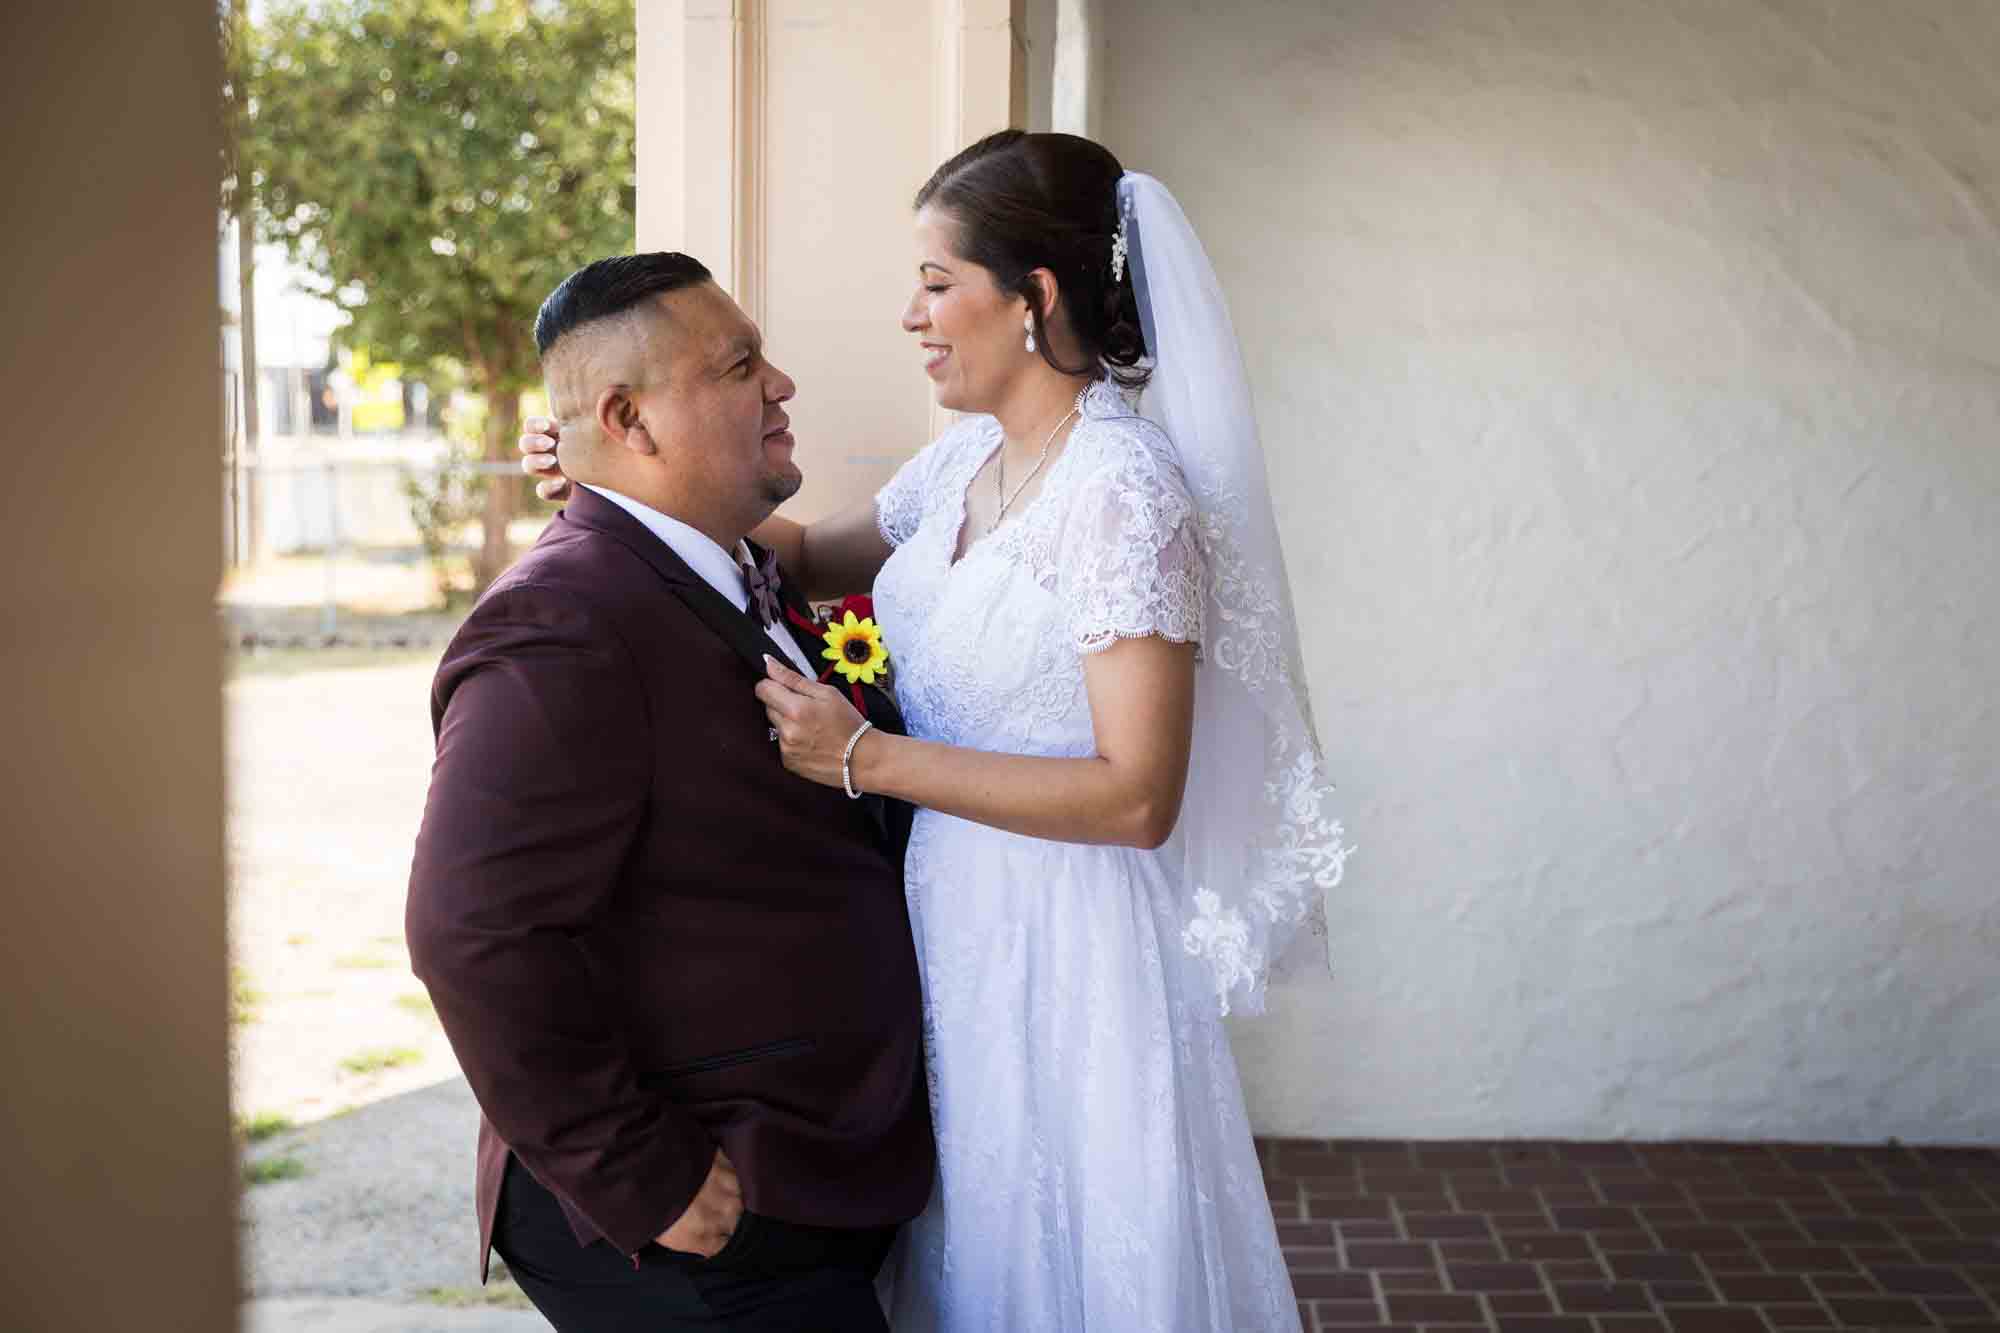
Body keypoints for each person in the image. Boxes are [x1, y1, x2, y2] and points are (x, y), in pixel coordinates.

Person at [522, 131, 1354, 1330]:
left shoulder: (1123, 494)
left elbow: (1136, 797)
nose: (910, 314)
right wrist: (602, 465)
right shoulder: (968, 458)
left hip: (1066, 946)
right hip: (945, 925)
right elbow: (798, 559)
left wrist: (864, 758)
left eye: (934, 280)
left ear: (1034, 300)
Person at [407, 252, 934, 1333]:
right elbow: (471, 930)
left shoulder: (730, 566)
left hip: (805, 1162)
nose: (781, 384)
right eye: (740, 365)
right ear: (630, 421)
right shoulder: (559, 624)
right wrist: (642, 1174)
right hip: (696, 1211)